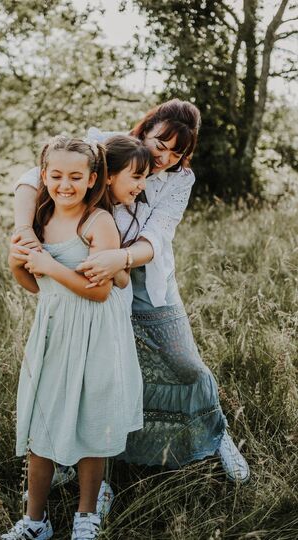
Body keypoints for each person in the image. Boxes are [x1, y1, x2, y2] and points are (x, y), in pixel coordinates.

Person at [14, 99, 250, 491]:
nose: (165, 157)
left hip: (144, 278)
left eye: (178, 152)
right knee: (104, 373)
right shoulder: (107, 146)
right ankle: (94, 458)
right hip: (93, 279)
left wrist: (119, 260)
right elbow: (31, 177)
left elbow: (157, 234)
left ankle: (215, 432)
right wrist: (24, 229)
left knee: (184, 362)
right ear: (144, 130)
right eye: (161, 144)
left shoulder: (179, 180)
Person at [3, 135, 145, 540]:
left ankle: (87, 515)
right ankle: (35, 521)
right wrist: (18, 263)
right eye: (57, 175)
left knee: (92, 425)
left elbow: (99, 291)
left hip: (96, 334)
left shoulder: (97, 222)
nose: (65, 184)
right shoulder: (40, 218)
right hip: (53, 331)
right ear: (44, 175)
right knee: (42, 424)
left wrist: (48, 263)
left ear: (92, 178)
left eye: (76, 177)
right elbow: (34, 286)